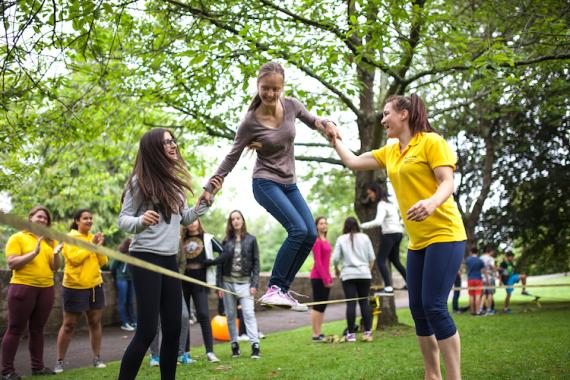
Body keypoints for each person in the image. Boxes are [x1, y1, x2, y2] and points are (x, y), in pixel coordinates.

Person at [333, 94, 467, 379]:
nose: (383, 120)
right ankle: (432, 375)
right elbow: (354, 161)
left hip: (446, 234)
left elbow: (447, 182)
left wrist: (431, 203)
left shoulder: (431, 142)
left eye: (386, 114)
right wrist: (333, 137)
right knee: (418, 309)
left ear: (404, 114)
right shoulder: (391, 150)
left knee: (433, 305)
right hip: (418, 242)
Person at [199, 61, 341, 311]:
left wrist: (327, 125)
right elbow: (231, 156)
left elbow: (313, 120)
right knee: (297, 230)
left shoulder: (291, 106)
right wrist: (210, 186)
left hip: (289, 184)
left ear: (282, 88)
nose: (271, 94)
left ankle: (282, 290)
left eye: (276, 89)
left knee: (309, 234)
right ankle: (275, 287)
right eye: (266, 88)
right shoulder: (250, 122)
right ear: (258, 85)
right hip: (265, 182)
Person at [117, 128, 222, 380]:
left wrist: (207, 199)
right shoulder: (139, 182)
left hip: (168, 258)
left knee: (174, 328)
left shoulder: (174, 185)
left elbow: (185, 219)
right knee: (147, 330)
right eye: (166, 142)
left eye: (173, 140)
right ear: (154, 149)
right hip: (144, 258)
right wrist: (141, 221)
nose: (173, 145)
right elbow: (123, 220)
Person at [2, 206, 62, 379]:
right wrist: (34, 253)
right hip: (23, 287)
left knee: (37, 329)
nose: (43, 220)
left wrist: (56, 254)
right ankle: (7, 371)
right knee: (15, 329)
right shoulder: (17, 237)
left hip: (46, 289)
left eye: (46, 219)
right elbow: (12, 263)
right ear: (30, 218)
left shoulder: (50, 241)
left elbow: (55, 268)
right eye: (40, 217)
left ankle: (38, 367)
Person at [55, 209, 108, 373]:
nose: (89, 221)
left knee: (95, 322)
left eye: (91, 218)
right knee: (69, 325)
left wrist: (98, 247)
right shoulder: (69, 238)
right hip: (74, 287)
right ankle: (60, 361)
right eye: (86, 218)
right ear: (77, 221)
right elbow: (75, 259)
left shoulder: (91, 239)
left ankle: (97, 358)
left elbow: (103, 262)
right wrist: (92, 245)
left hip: (95, 286)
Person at [213, 210, 261, 359]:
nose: (235, 221)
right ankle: (234, 345)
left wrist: (254, 284)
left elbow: (256, 263)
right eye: (232, 219)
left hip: (245, 283)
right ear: (230, 222)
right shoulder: (226, 240)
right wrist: (218, 285)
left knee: (248, 314)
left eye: (238, 218)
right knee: (231, 315)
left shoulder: (251, 240)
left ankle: (255, 346)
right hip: (227, 283)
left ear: (242, 220)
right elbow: (219, 264)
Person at [180, 219, 223, 363]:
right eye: (189, 221)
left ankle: (210, 352)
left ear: (199, 221)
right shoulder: (181, 239)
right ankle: (185, 353)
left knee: (204, 314)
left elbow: (225, 252)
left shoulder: (207, 238)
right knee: (183, 318)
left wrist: (211, 262)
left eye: (194, 221)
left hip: (200, 281)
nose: (192, 223)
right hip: (183, 280)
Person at [332, 217, 375, 342]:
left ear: (345, 227)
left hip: (348, 275)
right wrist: (367, 270)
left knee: (351, 303)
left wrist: (336, 269)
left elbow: (335, 259)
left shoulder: (341, 239)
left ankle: (351, 334)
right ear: (357, 225)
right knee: (364, 303)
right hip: (364, 274)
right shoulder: (365, 237)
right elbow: (372, 258)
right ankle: (368, 332)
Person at [360, 183, 407, 292]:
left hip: (389, 234)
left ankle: (388, 287)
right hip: (398, 233)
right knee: (395, 261)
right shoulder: (390, 204)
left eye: (370, 193)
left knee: (380, 260)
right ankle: (410, 283)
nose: (369, 196)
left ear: (375, 192)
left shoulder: (381, 204)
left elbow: (378, 221)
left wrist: (362, 225)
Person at [309, 216, 333, 341]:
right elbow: (318, 263)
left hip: (326, 277)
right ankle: (315, 334)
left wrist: (329, 277)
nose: (324, 225)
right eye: (321, 223)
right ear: (317, 226)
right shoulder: (317, 241)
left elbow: (327, 262)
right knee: (317, 306)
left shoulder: (325, 240)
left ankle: (319, 332)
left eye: (325, 223)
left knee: (323, 306)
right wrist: (325, 279)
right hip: (318, 278)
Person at [111, 238, 137, 331]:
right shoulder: (120, 253)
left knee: (130, 301)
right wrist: (116, 277)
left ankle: (133, 321)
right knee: (123, 301)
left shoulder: (133, 254)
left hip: (130, 279)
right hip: (122, 279)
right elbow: (112, 266)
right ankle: (124, 322)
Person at [465, 247, 485, 316]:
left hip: (470, 279)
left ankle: (472, 311)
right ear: (477, 252)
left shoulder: (468, 259)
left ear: (471, 252)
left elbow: (466, 268)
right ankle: (478, 311)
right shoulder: (480, 260)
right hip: (478, 279)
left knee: (471, 296)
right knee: (477, 295)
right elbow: (482, 270)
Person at [480, 246, 497, 315]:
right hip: (490, 277)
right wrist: (495, 271)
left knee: (484, 293)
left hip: (482, 277)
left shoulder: (480, 258)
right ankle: (489, 309)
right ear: (490, 251)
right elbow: (492, 267)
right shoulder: (490, 258)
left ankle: (481, 308)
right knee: (490, 293)